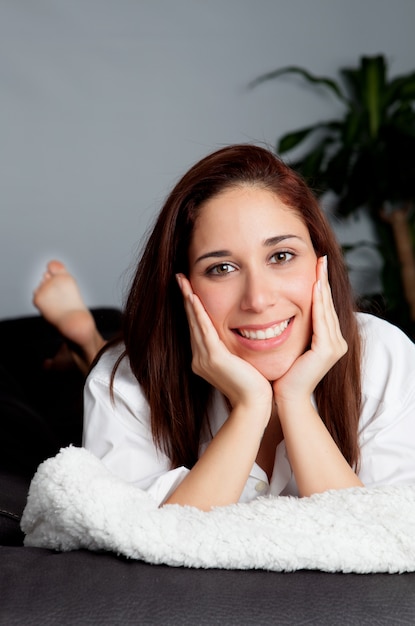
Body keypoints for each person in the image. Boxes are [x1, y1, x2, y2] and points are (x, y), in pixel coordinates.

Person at [36, 144, 415, 511]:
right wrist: (250, 409)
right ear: (181, 284)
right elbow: (141, 545)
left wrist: (296, 401)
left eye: (281, 256)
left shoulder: (384, 356)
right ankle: (87, 343)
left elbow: (385, 541)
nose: (258, 299)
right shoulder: (121, 379)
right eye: (222, 268)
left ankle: (86, 340)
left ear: (321, 261)